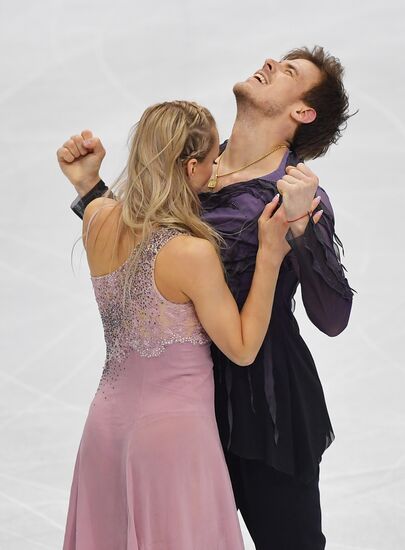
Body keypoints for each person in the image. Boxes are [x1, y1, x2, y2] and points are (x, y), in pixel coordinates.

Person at [62, 46, 354, 550]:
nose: (268, 64)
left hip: (266, 410)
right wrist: (91, 192)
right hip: (182, 408)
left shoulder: (294, 194)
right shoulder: (190, 164)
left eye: (288, 72)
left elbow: (332, 317)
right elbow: (139, 248)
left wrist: (304, 227)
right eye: (276, 60)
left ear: (302, 113)